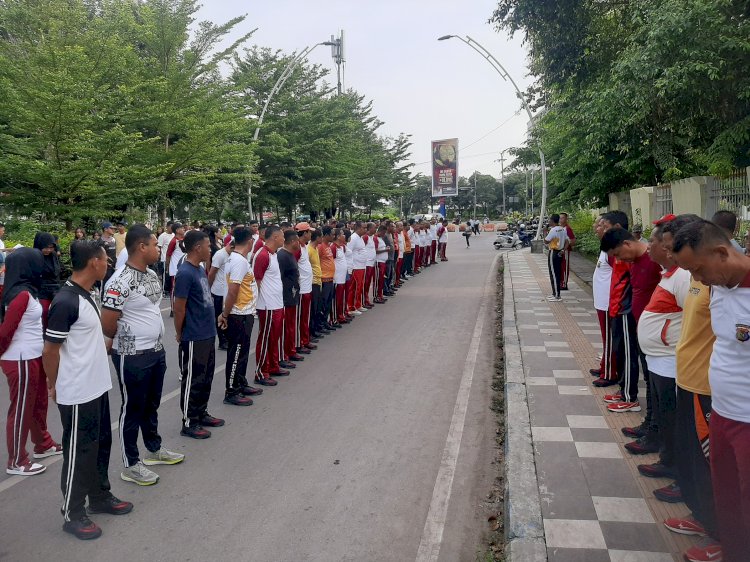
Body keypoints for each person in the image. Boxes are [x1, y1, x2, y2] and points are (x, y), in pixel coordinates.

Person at [43, 240, 133, 540]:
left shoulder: (88, 294)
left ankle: (99, 496)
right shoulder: (66, 300)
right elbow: (50, 350)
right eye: (105, 259)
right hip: (78, 391)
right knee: (79, 452)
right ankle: (73, 512)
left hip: (97, 386)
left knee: (99, 445)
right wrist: (54, 384)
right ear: (94, 262)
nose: (108, 263)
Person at [672, 219, 750, 562]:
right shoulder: (717, 286)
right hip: (721, 413)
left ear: (721, 252)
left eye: (699, 269)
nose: (698, 279)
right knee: (727, 499)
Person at [659, 214, 722, 561]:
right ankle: (705, 518)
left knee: (710, 464)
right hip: (689, 380)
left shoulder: (723, 280)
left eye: (673, 250)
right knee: (694, 460)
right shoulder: (698, 275)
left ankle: (722, 533)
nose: (690, 275)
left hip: (708, 386)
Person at [101, 225, 183, 487]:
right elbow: (107, 323)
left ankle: (154, 448)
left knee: (151, 404)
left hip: (156, 350)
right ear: (141, 247)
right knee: (132, 407)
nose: (159, 249)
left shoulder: (150, 274)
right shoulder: (119, 281)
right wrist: (126, 336)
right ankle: (131, 463)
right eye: (155, 245)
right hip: (131, 354)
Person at [634, 217, 690, 483]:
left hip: (670, 361)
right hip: (659, 360)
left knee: (672, 417)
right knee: (663, 414)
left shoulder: (684, 278)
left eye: (654, 242)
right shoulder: (669, 275)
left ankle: (674, 465)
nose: (649, 248)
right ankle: (665, 457)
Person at [1, 248, 61, 476]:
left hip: (31, 356)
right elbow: (5, 331)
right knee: (21, 410)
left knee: (37, 405)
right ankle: (16, 460)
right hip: (21, 358)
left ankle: (43, 443)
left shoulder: (27, 291)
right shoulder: (22, 296)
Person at [599, 222, 661, 414]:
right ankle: (649, 418)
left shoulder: (653, 260)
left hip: (649, 324)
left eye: (617, 254)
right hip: (634, 319)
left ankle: (630, 397)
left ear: (626, 244)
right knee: (631, 357)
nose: (619, 259)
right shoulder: (635, 261)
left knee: (641, 365)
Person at [173, 230, 222, 440]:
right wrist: (179, 332)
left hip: (207, 331)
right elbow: (179, 307)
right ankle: (189, 421)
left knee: (206, 376)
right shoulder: (184, 273)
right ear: (197, 248)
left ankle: (201, 412)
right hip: (193, 334)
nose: (210, 249)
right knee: (193, 378)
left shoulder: (200, 269)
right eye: (207, 246)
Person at [217, 226, 258, 406]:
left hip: (245, 312)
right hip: (238, 314)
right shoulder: (239, 261)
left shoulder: (237, 258)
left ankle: (240, 382)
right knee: (236, 354)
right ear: (249, 241)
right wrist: (225, 314)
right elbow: (233, 290)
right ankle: (231, 390)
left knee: (242, 352)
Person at [254, 226, 288, 385]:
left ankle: (273, 365)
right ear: (275, 237)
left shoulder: (273, 254)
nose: (284, 240)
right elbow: (257, 282)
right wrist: (258, 305)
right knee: (266, 338)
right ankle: (261, 371)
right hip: (267, 305)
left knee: (275, 337)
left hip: (277, 304)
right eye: (282, 237)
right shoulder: (262, 255)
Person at [590, 217, 618, 388]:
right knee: (606, 338)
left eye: (603, 225)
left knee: (609, 339)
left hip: (609, 303)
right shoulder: (605, 249)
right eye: (598, 224)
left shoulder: (612, 251)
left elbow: (618, 275)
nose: (597, 227)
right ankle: (604, 366)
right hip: (602, 302)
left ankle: (609, 373)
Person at [277, 230, 305, 365]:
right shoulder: (281, 256)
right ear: (293, 241)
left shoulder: (290, 255)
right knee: (286, 327)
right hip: (286, 297)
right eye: (297, 241)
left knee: (291, 326)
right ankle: (284, 355)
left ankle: (291, 350)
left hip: (292, 295)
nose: (299, 244)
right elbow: (279, 278)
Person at [294, 223, 316, 353]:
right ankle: (299, 342)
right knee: (300, 317)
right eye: (309, 232)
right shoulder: (297, 247)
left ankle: (305, 339)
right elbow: (294, 266)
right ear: (305, 233)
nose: (311, 234)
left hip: (307, 287)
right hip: (302, 288)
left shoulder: (304, 246)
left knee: (305, 316)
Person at [33, 232, 62, 326]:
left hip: (55, 288)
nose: (48, 250)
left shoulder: (53, 255)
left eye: (51, 247)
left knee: (57, 312)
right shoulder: (35, 256)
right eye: (46, 247)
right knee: (44, 312)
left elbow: (57, 272)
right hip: (41, 289)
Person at [208, 240, 232, 350]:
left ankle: (227, 338)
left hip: (226, 290)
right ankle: (222, 341)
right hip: (218, 291)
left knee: (227, 316)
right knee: (219, 316)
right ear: (231, 246)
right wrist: (208, 289)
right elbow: (212, 272)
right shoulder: (220, 255)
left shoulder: (231, 255)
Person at [544, 214, 568, 302]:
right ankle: (555, 293)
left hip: (553, 252)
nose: (548, 222)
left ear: (552, 221)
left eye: (549, 220)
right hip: (560, 252)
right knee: (557, 273)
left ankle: (557, 295)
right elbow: (567, 242)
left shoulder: (553, 230)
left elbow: (546, 241)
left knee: (553, 274)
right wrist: (563, 250)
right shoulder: (562, 229)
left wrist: (545, 231)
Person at [308, 229, 326, 336]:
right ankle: (312, 331)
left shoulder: (315, 249)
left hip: (318, 281)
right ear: (318, 237)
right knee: (313, 308)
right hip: (312, 282)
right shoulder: (309, 250)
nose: (322, 239)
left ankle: (316, 328)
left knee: (318, 307)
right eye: (321, 237)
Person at [165, 222, 186, 317]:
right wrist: (168, 267)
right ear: (177, 230)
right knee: (174, 289)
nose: (184, 229)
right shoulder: (173, 241)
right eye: (182, 228)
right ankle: (173, 309)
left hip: (184, 268)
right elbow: (168, 255)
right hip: (175, 269)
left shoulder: (185, 239)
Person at [347, 222, 367, 314]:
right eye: (364, 228)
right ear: (358, 228)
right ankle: (351, 307)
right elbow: (348, 252)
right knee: (354, 287)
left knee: (359, 287)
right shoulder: (353, 238)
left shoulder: (360, 238)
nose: (365, 229)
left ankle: (358, 304)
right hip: (355, 266)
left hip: (361, 266)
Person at [332, 229, 349, 324]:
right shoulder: (333, 247)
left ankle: (341, 315)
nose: (344, 236)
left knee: (341, 298)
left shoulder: (341, 247)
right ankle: (335, 318)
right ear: (338, 236)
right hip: (337, 278)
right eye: (342, 234)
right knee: (337, 299)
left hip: (342, 278)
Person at [558, 212, 576, 290]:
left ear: (566, 219)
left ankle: (564, 284)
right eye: (560, 218)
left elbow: (573, 240)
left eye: (563, 218)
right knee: (559, 267)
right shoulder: (558, 228)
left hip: (565, 251)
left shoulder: (568, 229)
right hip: (558, 250)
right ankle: (560, 282)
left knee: (564, 267)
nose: (561, 219)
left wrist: (566, 244)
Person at [156, 221, 173, 294]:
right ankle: (164, 291)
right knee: (165, 276)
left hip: (172, 260)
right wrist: (158, 258)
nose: (172, 228)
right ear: (167, 227)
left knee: (170, 275)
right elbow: (159, 247)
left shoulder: (174, 235)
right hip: (164, 259)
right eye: (171, 227)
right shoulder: (162, 236)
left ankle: (169, 289)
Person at [363, 223, 377, 308]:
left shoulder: (371, 237)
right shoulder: (365, 237)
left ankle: (366, 299)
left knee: (368, 283)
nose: (376, 229)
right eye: (374, 228)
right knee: (366, 283)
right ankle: (364, 300)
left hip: (371, 263)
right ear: (370, 228)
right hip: (367, 264)